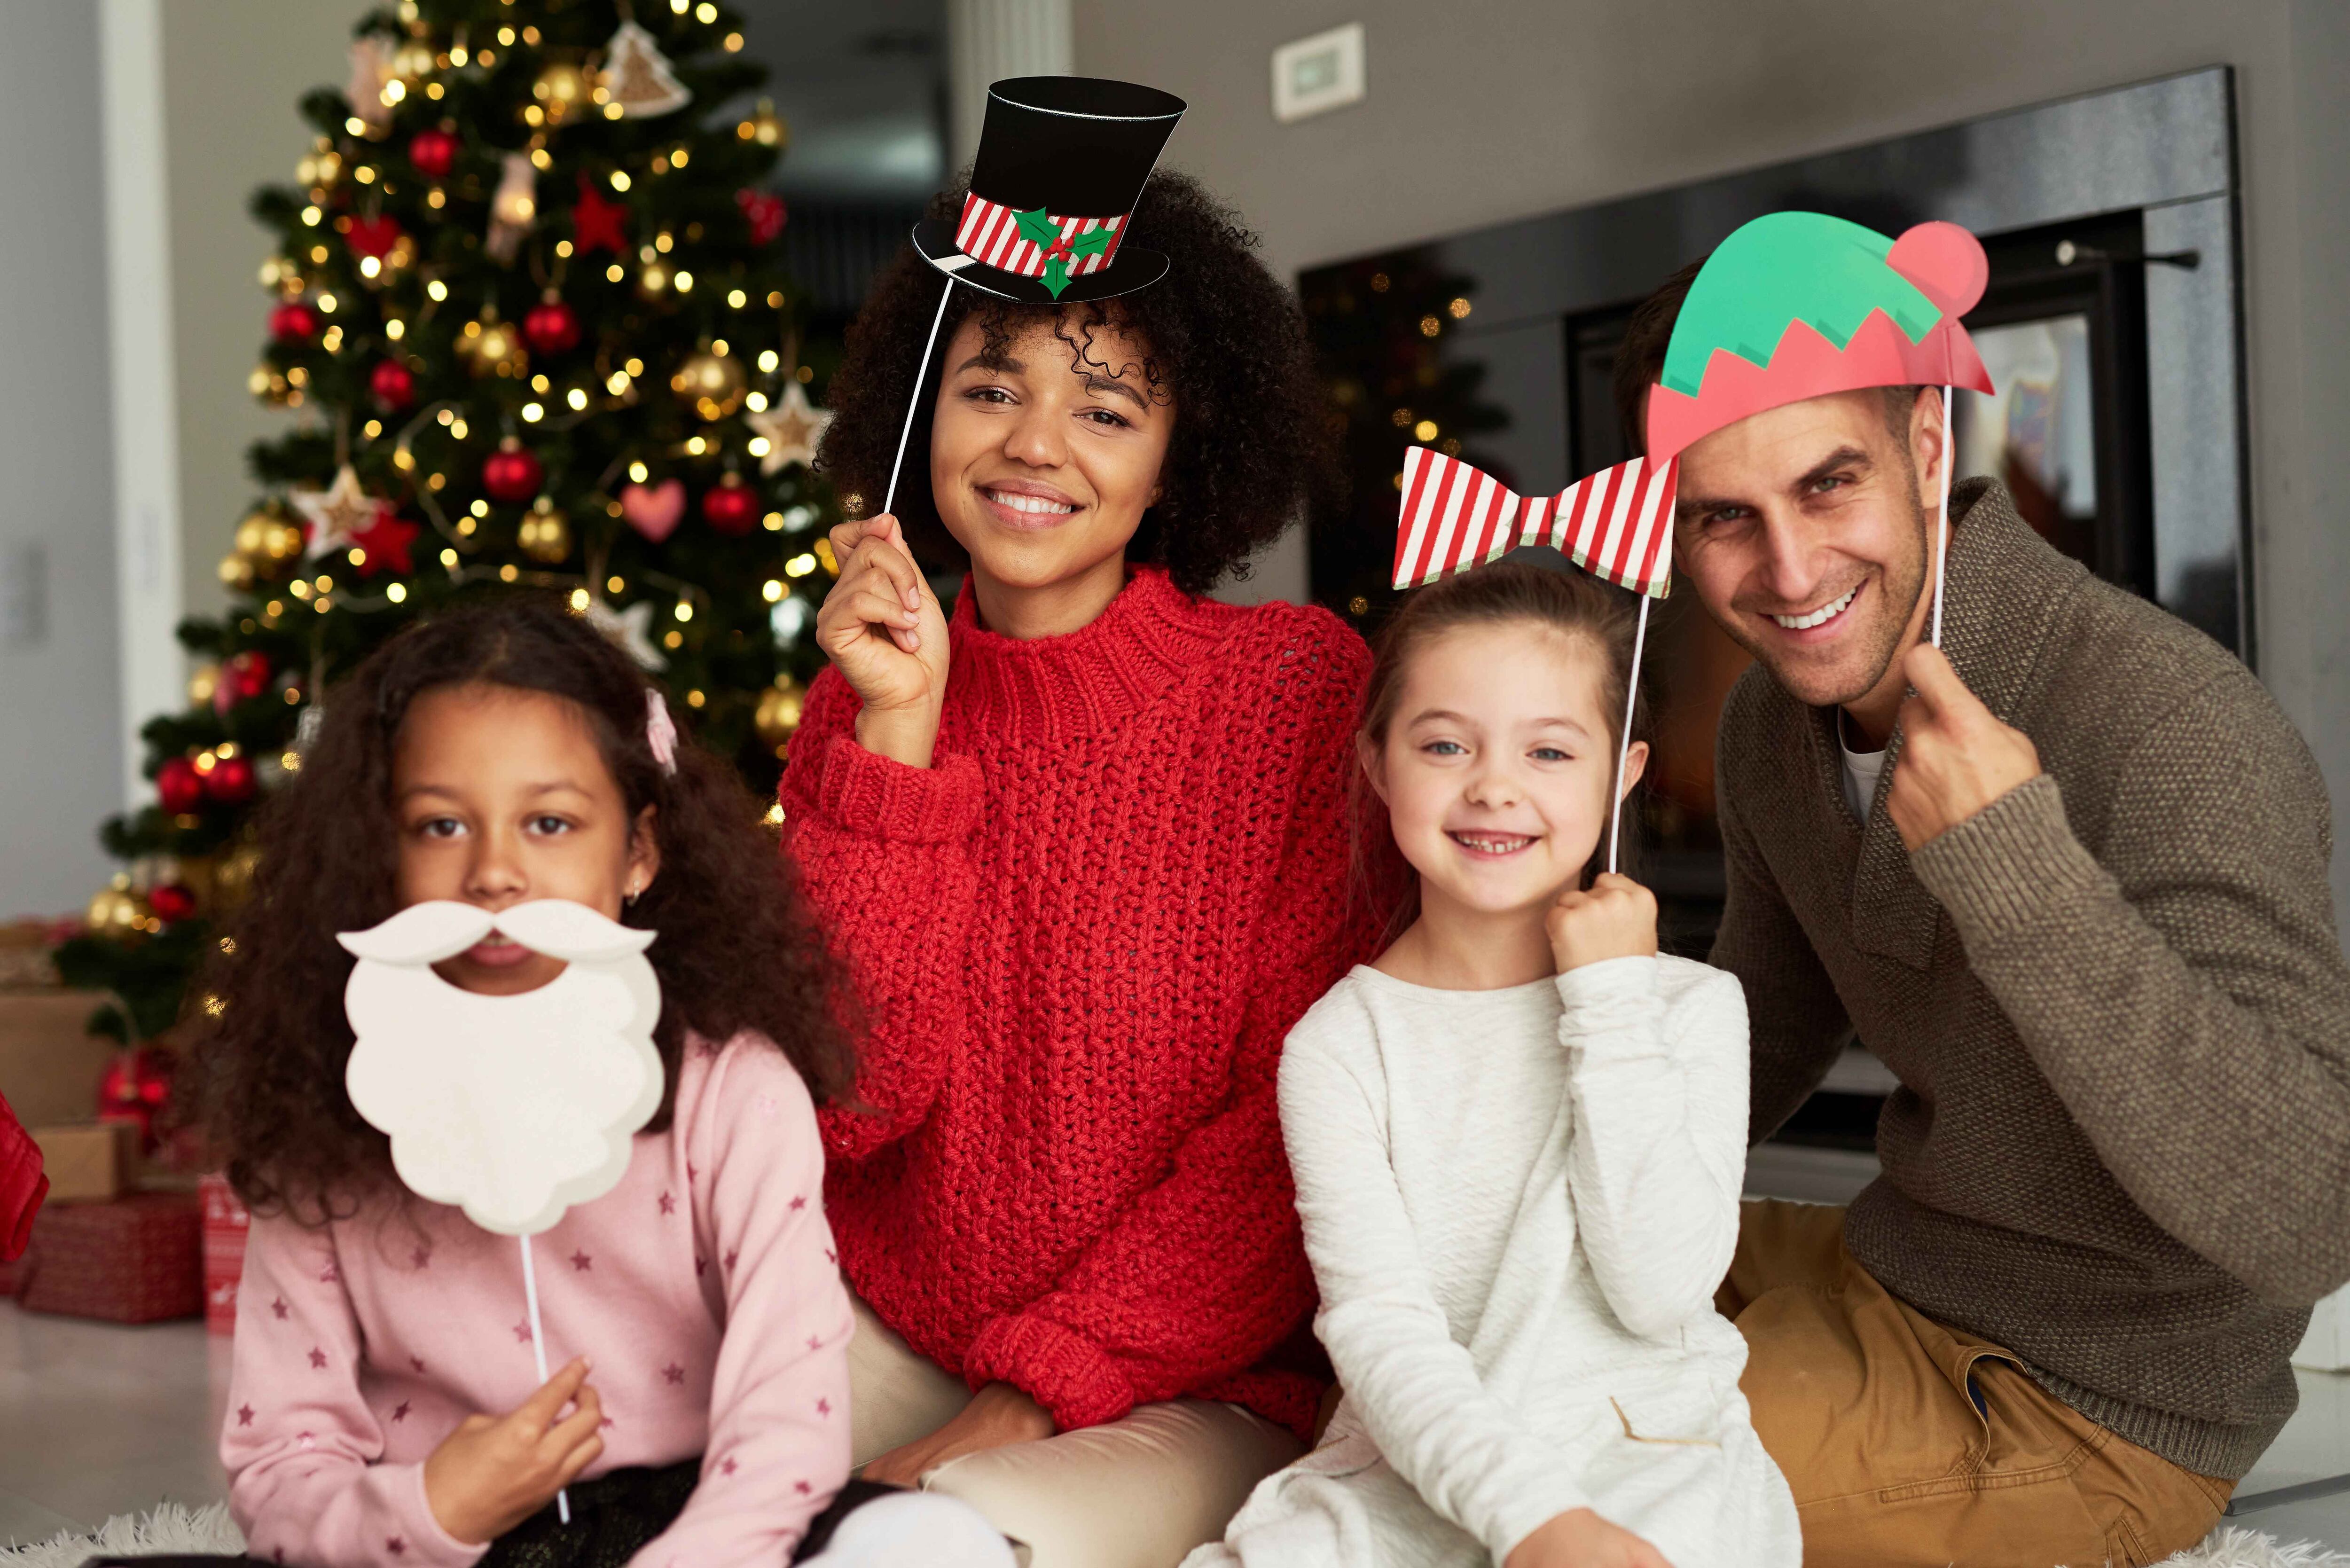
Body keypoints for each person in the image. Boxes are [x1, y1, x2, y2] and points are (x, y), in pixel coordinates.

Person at [1614, 244, 2350, 1566]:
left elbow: (2315, 1216)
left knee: (1579, 1478)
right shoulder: (1766, 726)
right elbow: (1763, 1033)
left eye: (1828, 483)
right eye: (1724, 516)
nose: (1787, 572)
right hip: (1897, 1268)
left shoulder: (2173, 725)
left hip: (2090, 1405)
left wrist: (2019, 871)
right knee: (1500, 1332)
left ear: (1927, 439)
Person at [785, 81, 1371, 1568]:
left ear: (1183, 455)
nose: (1035, 444)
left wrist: (1031, 1393)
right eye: (990, 390)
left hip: (1183, 1380)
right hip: (889, 1327)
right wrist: (900, 744)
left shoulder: (1295, 696)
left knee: (905, 1553)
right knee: (594, 1468)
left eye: (1105, 408)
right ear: (920, 413)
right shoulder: (857, 700)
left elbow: (1297, 1139)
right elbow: (844, 1103)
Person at [189, 598, 1009, 1568]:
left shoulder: (733, 1091)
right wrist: (431, 1510)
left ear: (638, 853)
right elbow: (282, 1466)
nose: (496, 873)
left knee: (936, 1542)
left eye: (550, 823)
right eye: (441, 824)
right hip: (440, 1540)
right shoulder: (323, 1110)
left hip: (696, 1526)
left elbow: (788, 1416)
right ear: (377, 852)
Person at [1191, 562, 1799, 1568]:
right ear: (1380, 765)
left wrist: (1610, 1006)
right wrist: (1534, 1524)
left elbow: (1659, 1292)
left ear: (1624, 772)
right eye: (1444, 744)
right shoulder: (1340, 1048)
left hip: (1645, 1458)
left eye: (1550, 751)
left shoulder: (1688, 1013)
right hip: (1419, 1462)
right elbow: (1383, 1335)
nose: (1494, 786)